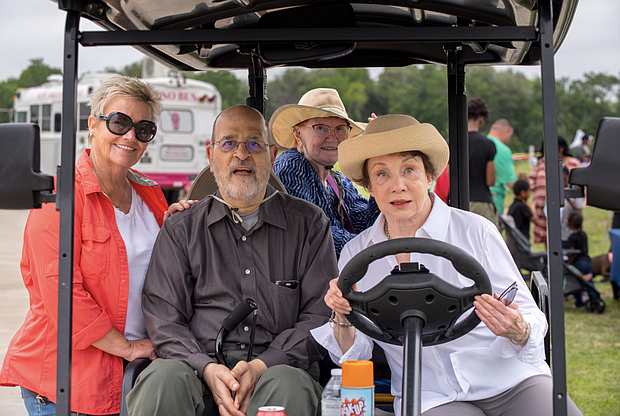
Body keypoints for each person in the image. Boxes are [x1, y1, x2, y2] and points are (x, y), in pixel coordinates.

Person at [312, 114, 583, 416]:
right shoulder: (356, 253)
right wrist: (342, 314)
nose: (398, 186)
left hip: (509, 379)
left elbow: (528, 313)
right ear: (369, 187)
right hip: (429, 393)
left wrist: (517, 328)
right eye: (382, 174)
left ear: (429, 177)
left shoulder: (475, 231)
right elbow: (354, 353)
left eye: (409, 170)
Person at [126, 105, 338, 416]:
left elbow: (321, 316)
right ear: (211, 157)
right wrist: (206, 368)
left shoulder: (308, 224)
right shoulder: (182, 228)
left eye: (254, 143)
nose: (242, 154)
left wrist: (264, 364)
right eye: (229, 143)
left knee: (289, 383)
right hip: (197, 369)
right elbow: (164, 317)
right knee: (162, 378)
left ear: (272, 156)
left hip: (276, 368)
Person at [0, 75, 170, 415]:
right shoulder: (59, 200)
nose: (130, 137)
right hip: (70, 386)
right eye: (120, 122)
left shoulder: (151, 196)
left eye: (144, 129)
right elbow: (62, 294)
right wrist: (127, 348)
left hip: (134, 376)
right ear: (93, 124)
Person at [270, 88, 380, 258]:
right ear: (297, 134)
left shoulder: (337, 180)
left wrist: (380, 170)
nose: (332, 138)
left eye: (340, 129)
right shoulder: (290, 167)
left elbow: (366, 222)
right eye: (320, 128)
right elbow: (318, 236)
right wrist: (376, 247)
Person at [529, 134, 581, 246]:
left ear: (561, 149)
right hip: (544, 210)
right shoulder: (542, 163)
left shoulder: (574, 163)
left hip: (568, 211)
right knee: (548, 238)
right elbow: (532, 181)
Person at [467, 97, 498, 228]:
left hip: (456, 202)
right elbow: (490, 181)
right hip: (481, 202)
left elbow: (450, 176)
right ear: (481, 118)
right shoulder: (487, 144)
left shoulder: (452, 142)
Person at [567, 212, 596, 308]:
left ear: (571, 223)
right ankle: (594, 298)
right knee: (589, 282)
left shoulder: (572, 238)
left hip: (578, 263)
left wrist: (569, 264)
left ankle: (580, 302)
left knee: (576, 283)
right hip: (587, 261)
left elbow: (572, 254)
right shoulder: (583, 234)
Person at [488, 118, 517, 215]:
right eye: (510, 135)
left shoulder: (481, 144)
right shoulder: (503, 150)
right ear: (506, 131)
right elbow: (511, 184)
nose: (509, 139)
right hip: (495, 200)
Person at [561, 166, 583, 249]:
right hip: (560, 233)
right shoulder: (554, 192)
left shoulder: (574, 191)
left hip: (571, 233)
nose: (563, 182)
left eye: (564, 179)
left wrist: (569, 200)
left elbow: (579, 210)